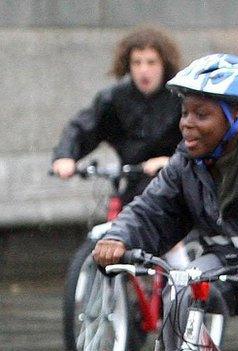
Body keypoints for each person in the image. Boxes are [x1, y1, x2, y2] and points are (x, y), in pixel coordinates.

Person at [92, 53, 238, 350]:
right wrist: (119, 237)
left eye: (201, 115)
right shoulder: (186, 163)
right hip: (228, 272)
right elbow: (151, 209)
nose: (187, 124)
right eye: (185, 113)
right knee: (182, 288)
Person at [51, 26, 189, 267]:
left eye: (151, 62)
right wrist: (66, 156)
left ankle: (187, 281)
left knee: (169, 231)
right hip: (134, 179)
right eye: (136, 62)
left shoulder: (180, 97)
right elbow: (85, 126)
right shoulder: (115, 98)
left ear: (164, 64)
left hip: (176, 181)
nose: (143, 70)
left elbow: (199, 137)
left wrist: (171, 160)